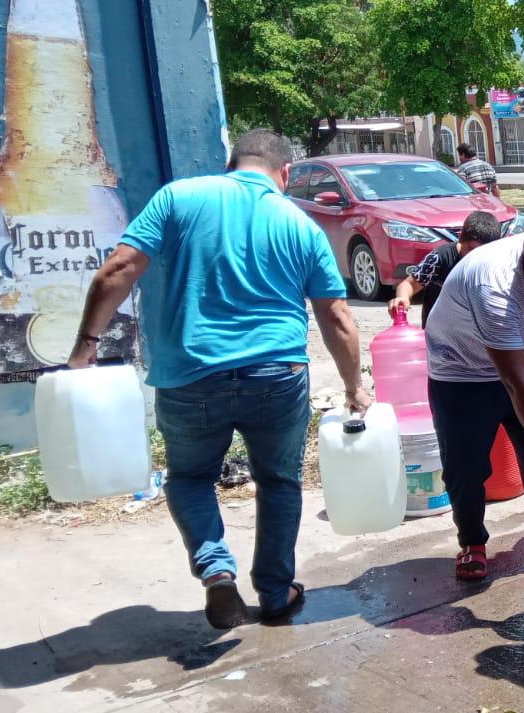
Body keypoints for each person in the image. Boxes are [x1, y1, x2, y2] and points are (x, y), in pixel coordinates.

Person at [65, 129, 371, 629]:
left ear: (232, 164)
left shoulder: (178, 198)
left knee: (189, 478)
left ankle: (216, 572)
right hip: (279, 374)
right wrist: (355, 387)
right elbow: (336, 316)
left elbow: (118, 268)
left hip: (191, 375)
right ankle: (275, 594)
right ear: (285, 173)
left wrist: (86, 345)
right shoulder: (300, 222)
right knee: (279, 481)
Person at [423, 210, 524, 581]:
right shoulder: (493, 281)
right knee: (466, 467)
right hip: (459, 371)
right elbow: (512, 381)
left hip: (519, 358)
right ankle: (472, 542)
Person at [387, 211, 503, 324]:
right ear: (460, 238)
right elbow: (409, 284)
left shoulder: (494, 263)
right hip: (437, 331)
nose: (476, 256)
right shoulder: (440, 257)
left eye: (483, 251)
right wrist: (402, 298)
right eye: (471, 249)